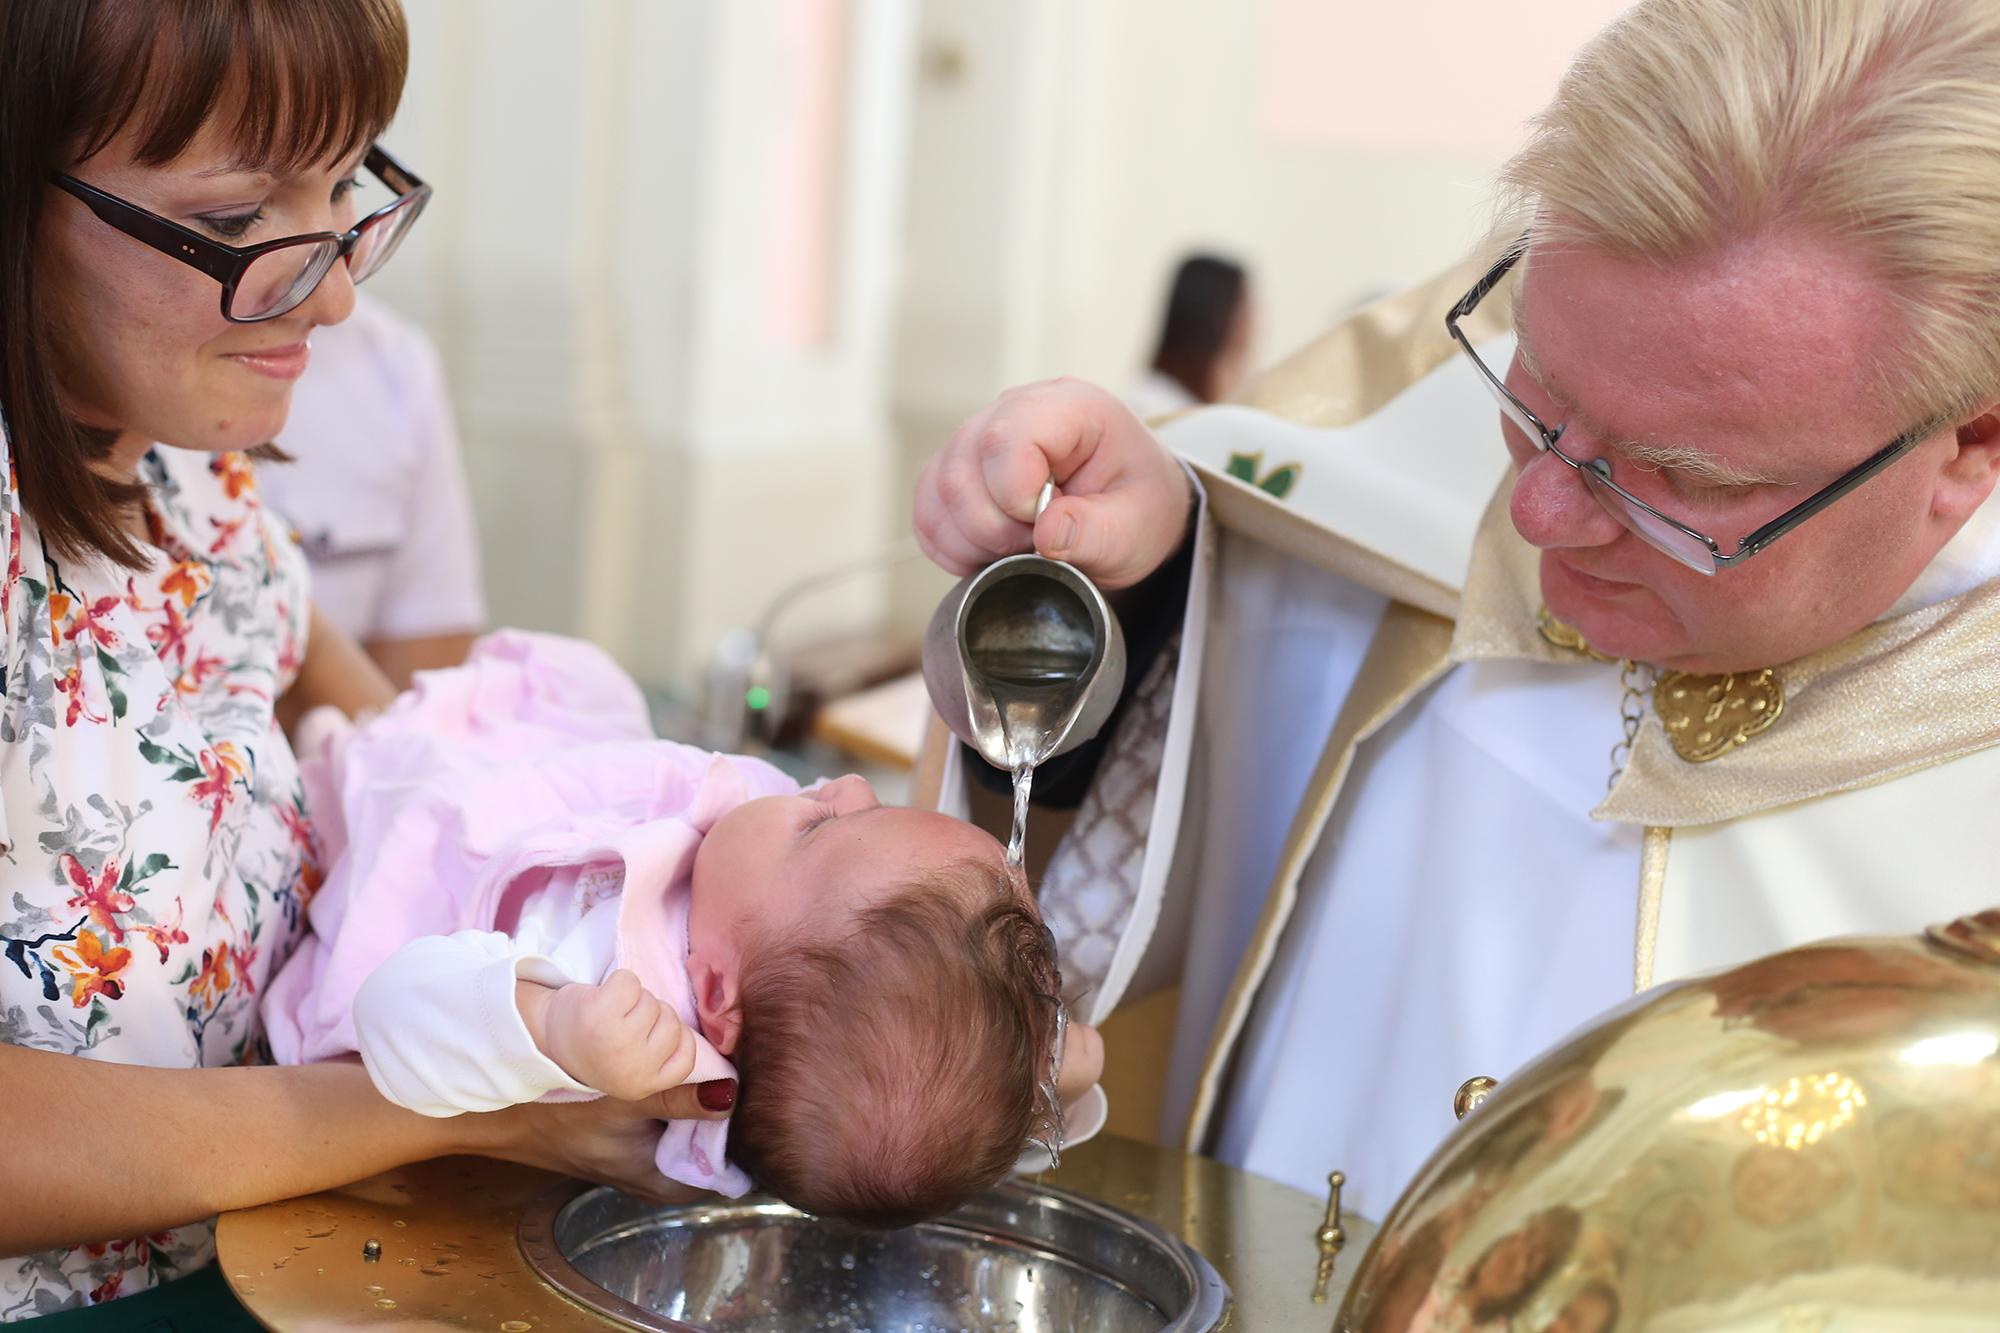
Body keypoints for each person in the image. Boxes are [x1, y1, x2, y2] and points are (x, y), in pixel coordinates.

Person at [913, 0, 2000, 1224]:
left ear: (1968, 443)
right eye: (1534, 394)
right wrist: (1145, 572)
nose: (1535, 516)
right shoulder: (1426, 411)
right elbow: (1166, 802)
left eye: (1683, 482)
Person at [0, 2, 724, 1321]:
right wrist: (447, 1106)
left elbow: (437, 793)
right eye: (234, 225)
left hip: (270, 1260)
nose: (331, 291)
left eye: (343, 190)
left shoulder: (199, 497)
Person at [264, 631, 1105, 1226]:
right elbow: (931, 1127)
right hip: (541, 799)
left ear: (712, 992)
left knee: (408, 758)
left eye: (820, 827)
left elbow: (396, 1014)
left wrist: (544, 1026)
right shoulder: (783, 964)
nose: (844, 783)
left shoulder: (613, 999)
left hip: (399, 856)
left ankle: (335, 745)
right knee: (597, 692)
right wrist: (1038, 1064)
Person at [259, 293, 486, 690]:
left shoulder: (395, 361)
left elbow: (426, 695)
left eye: (344, 232)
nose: (336, 299)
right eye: (234, 225)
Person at [1123, 253, 1255, 421]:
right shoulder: (1153, 406)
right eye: (1243, 311)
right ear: (1214, 316)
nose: (1251, 324)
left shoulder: (1220, 401)